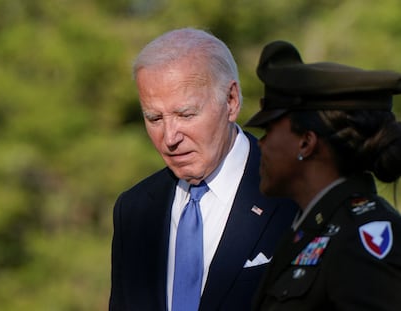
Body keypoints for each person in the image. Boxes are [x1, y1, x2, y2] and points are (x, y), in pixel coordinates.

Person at [108, 28, 297, 311]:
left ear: (231, 101)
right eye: (154, 118)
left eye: (186, 115)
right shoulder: (133, 210)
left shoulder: (295, 192)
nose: (170, 137)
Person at [245, 40, 401, 311]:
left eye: (269, 129)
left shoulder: (363, 238)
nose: (262, 143)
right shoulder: (311, 230)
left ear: (306, 142)